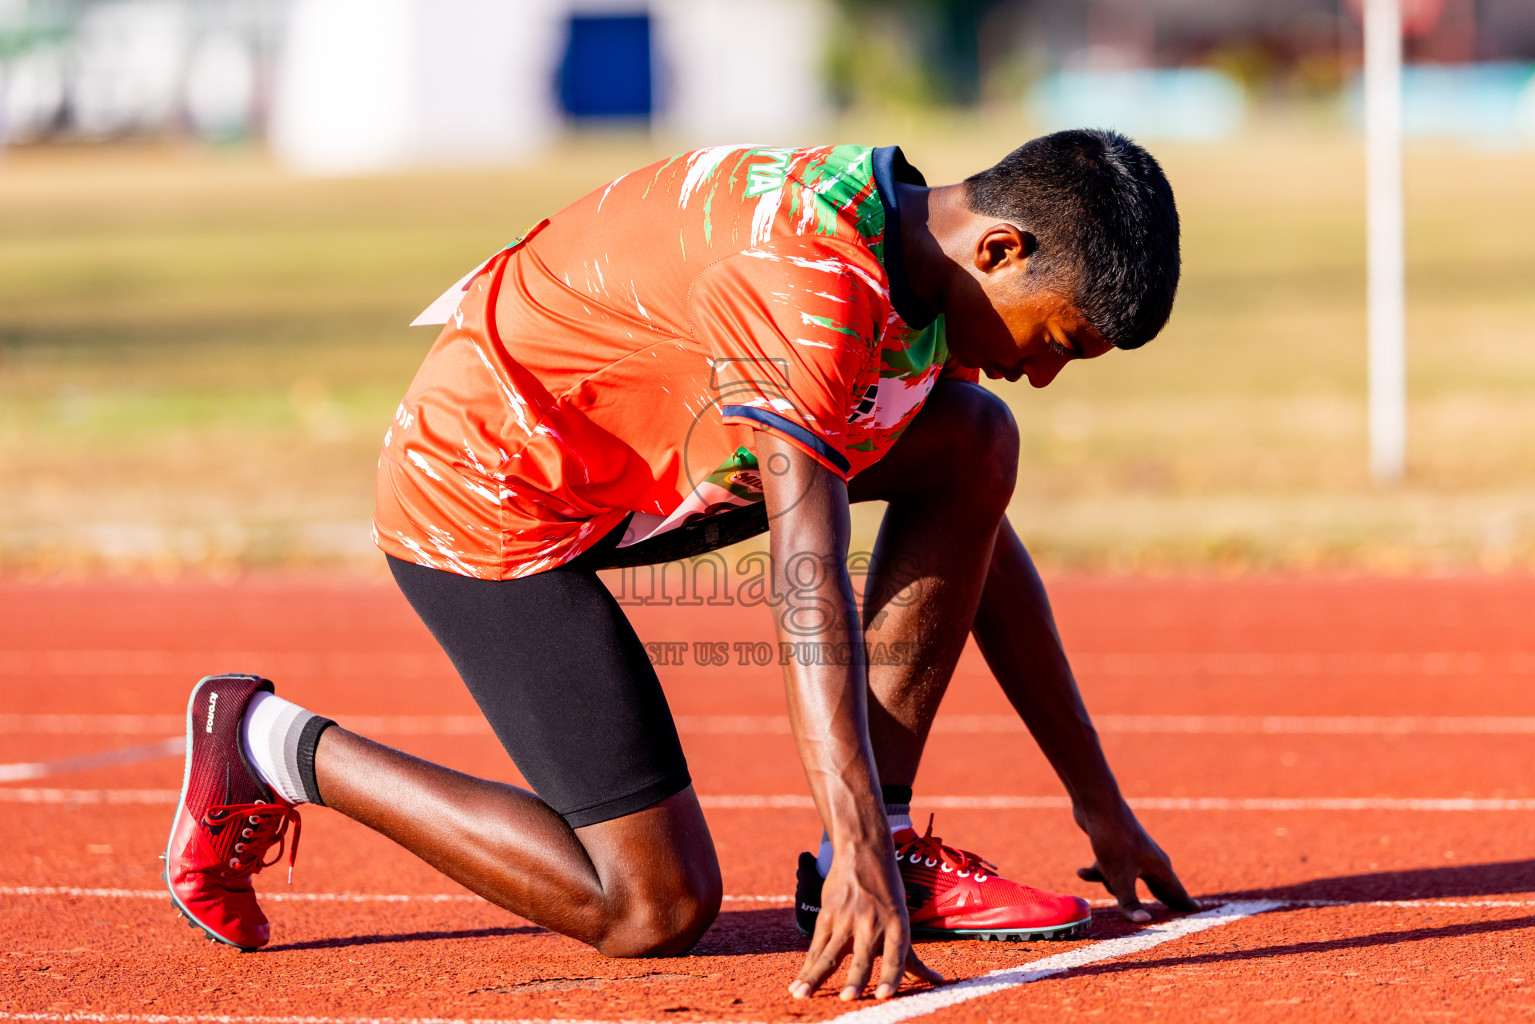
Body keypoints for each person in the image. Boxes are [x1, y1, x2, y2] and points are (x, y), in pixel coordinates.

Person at [163, 130, 1196, 1001]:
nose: (1046, 372)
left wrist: (1096, 799)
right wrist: (855, 846)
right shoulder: (812, 284)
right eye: (1058, 338)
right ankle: (269, 741)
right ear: (1002, 248)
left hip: (633, 469)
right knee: (652, 908)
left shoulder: (921, 252)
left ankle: (876, 844)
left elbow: (978, 533)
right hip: (486, 496)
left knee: (976, 439)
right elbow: (807, 574)